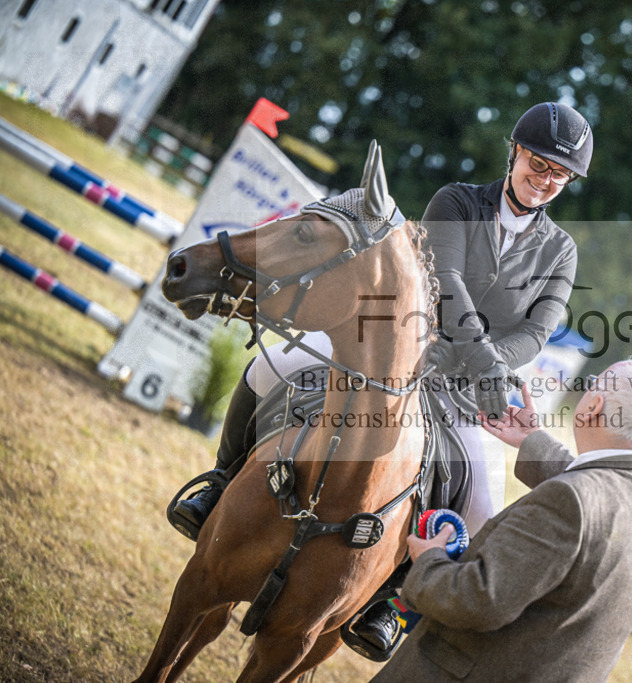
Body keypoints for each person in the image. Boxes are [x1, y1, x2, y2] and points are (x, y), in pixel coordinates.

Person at [167, 102, 594, 655]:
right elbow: (450, 287)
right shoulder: (457, 201)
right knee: (266, 367)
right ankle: (219, 484)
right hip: (387, 346)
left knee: (481, 512)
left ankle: (391, 603)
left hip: (460, 394)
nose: (547, 180)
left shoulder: (560, 250)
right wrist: (490, 363)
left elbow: (538, 333)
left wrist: (486, 369)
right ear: (514, 151)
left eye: (561, 174)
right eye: (539, 164)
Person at [370, 356, 632, 682]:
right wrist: (534, 441)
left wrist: (428, 559)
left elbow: (476, 601)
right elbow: (596, 503)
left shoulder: (569, 502)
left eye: (592, 386)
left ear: (594, 406)